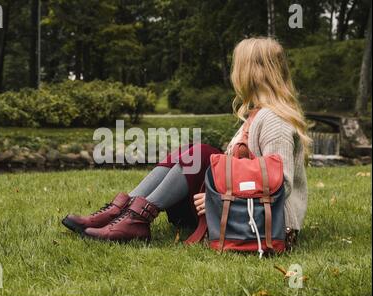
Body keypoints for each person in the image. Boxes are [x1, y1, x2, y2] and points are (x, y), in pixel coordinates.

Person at [62, 37, 310, 245]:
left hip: (269, 224)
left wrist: (221, 197)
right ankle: (124, 212)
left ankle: (133, 218)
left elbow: (280, 184)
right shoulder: (256, 115)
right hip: (237, 214)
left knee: (201, 153)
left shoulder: (274, 120)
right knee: (191, 152)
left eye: (238, 65)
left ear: (252, 71)